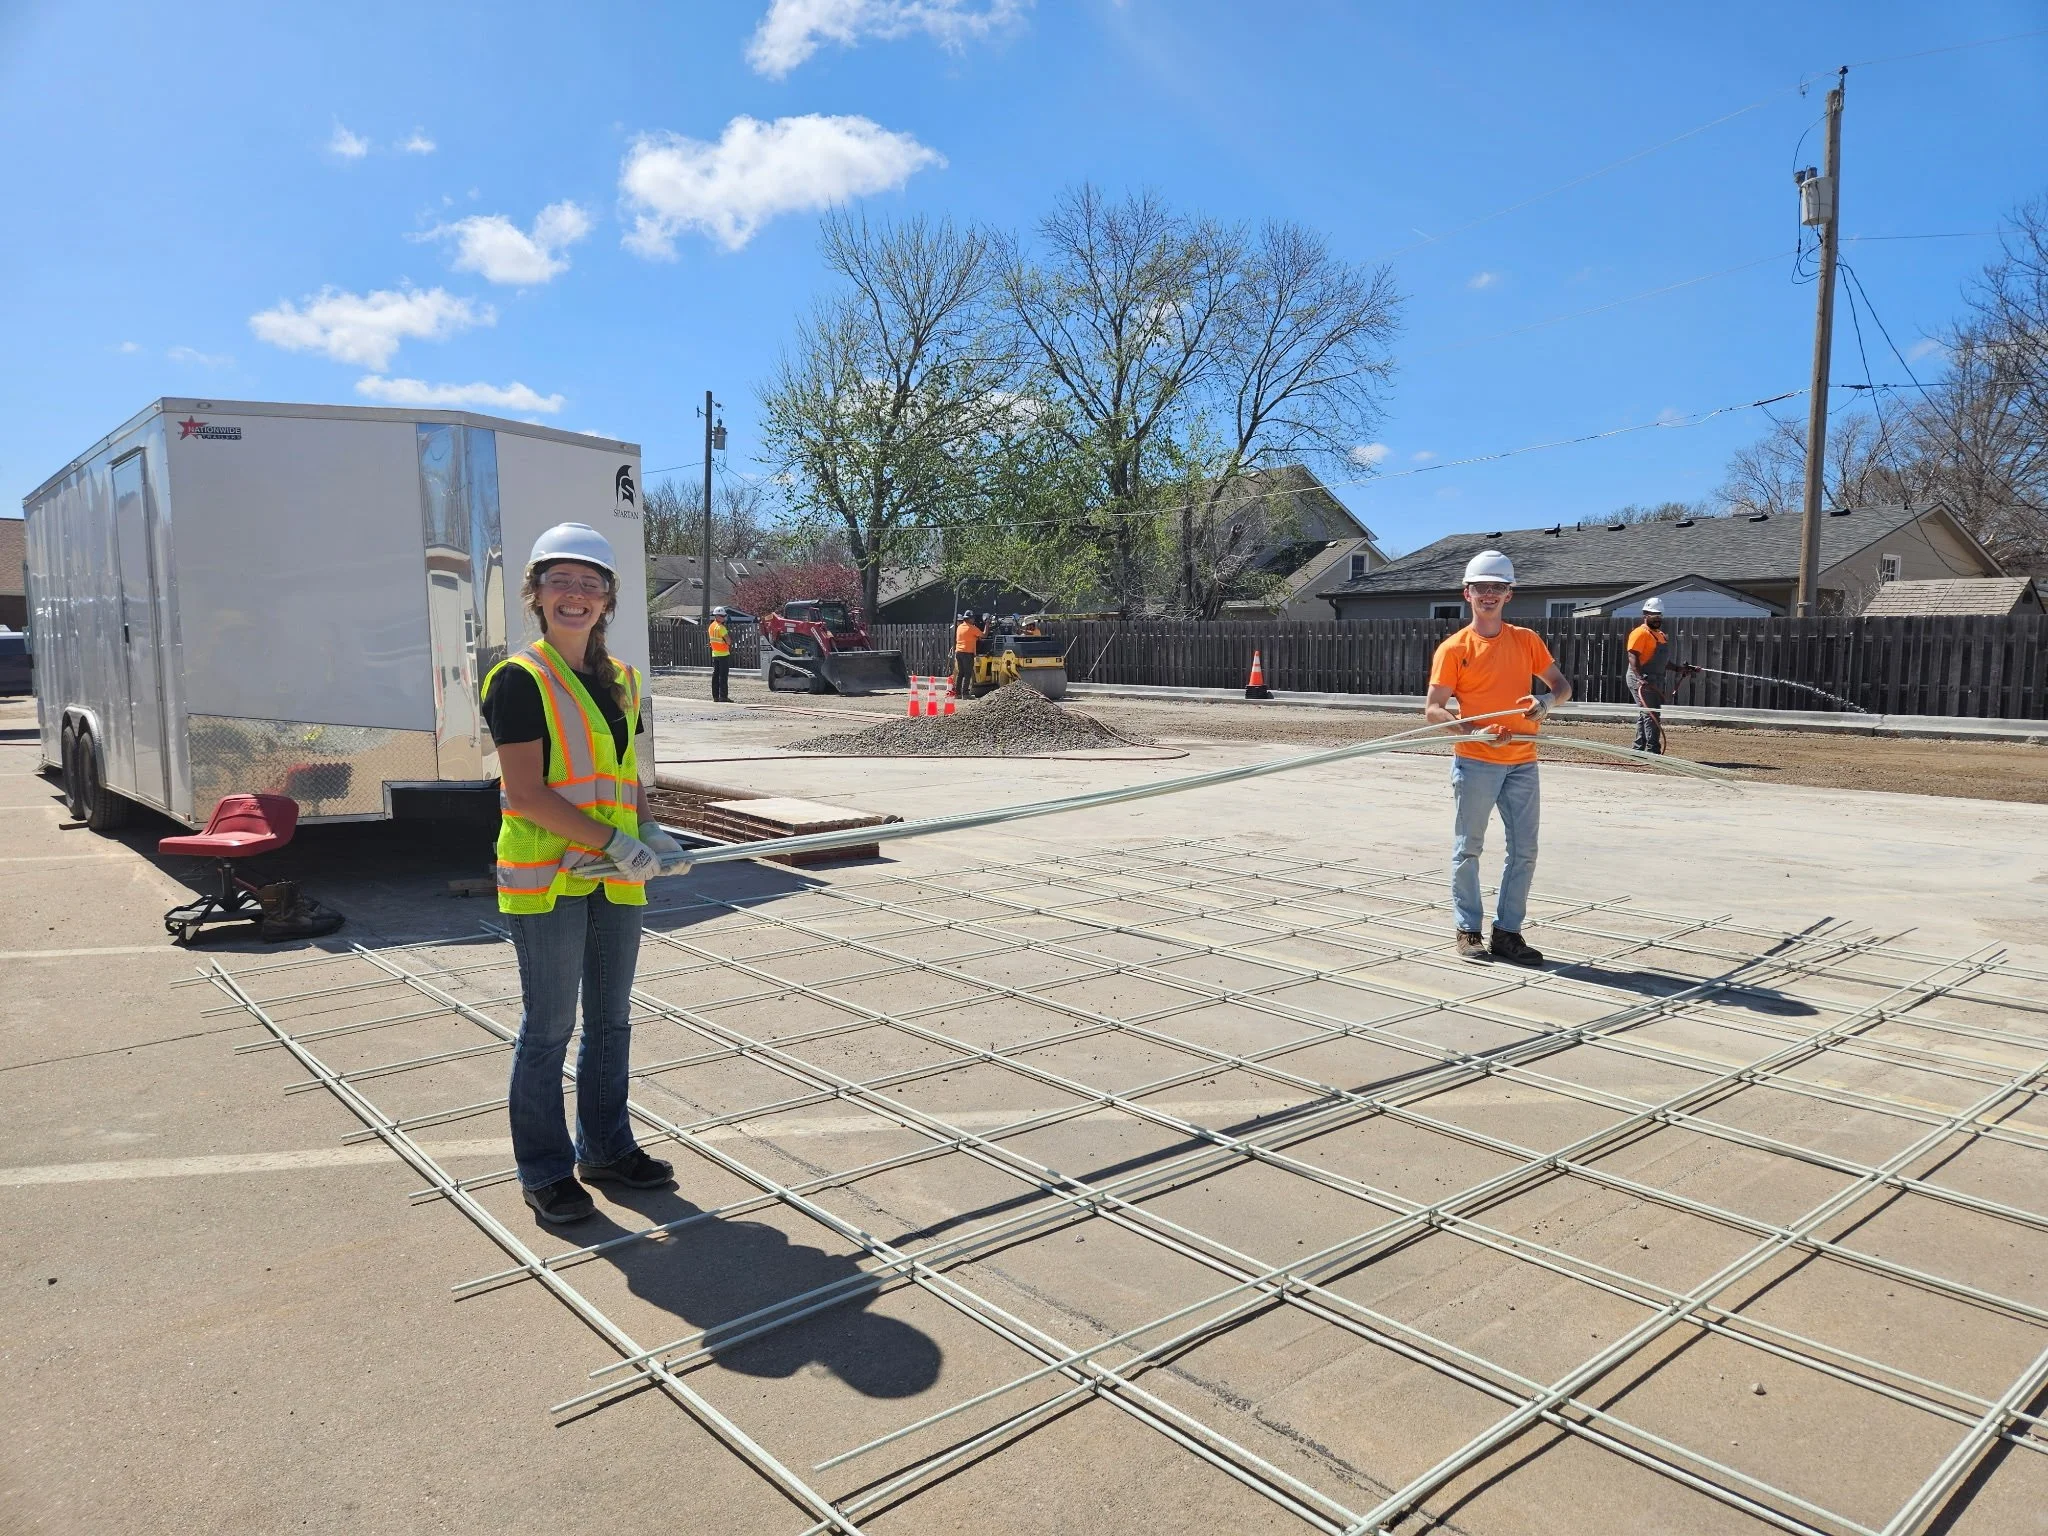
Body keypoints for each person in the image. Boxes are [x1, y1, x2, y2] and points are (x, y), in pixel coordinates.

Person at [481, 522, 686, 1224]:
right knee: (548, 1028)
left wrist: (648, 827)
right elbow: (526, 793)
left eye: (590, 584)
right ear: (535, 594)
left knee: (611, 1022)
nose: (576, 595)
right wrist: (617, 840)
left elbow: (623, 773)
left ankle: (605, 1146)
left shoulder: (622, 679)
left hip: (614, 874)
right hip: (547, 881)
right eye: (561, 582)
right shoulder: (519, 680)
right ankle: (544, 1169)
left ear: (608, 600)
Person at [1423, 550, 1574, 966]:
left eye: (1498, 588)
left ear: (1509, 595)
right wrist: (1476, 731)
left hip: (1523, 760)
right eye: (1481, 587)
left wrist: (1545, 701)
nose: (1489, 595)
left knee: (1524, 850)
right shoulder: (1454, 648)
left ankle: (1508, 933)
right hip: (1476, 761)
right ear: (1466, 593)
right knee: (1468, 848)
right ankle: (1468, 929)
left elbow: (1562, 687)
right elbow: (1434, 709)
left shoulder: (1526, 640)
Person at [1624, 597, 1694, 754]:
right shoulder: (1639, 633)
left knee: (1647, 713)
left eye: (1659, 615)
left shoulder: (1659, 635)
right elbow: (1632, 656)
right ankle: (1653, 750)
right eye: (1654, 615)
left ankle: (1638, 749)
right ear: (1645, 614)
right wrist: (1640, 678)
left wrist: (1679, 669)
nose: (1657, 619)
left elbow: (1663, 661)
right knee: (1651, 713)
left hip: (1655, 678)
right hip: (1640, 677)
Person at [952, 610, 984, 699]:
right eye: (973, 618)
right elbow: (984, 635)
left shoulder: (960, 627)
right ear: (969, 619)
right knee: (968, 673)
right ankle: (965, 694)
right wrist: (988, 624)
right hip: (967, 653)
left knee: (960, 673)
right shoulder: (972, 628)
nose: (974, 620)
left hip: (958, 652)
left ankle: (957, 693)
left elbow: (969, 637)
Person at [707, 605, 732, 703]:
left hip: (715, 654)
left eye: (724, 616)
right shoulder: (721, 628)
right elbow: (728, 641)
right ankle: (723, 697)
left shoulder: (711, 626)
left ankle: (715, 697)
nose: (723, 617)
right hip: (723, 654)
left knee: (715, 676)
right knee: (723, 677)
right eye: (722, 616)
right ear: (716, 616)